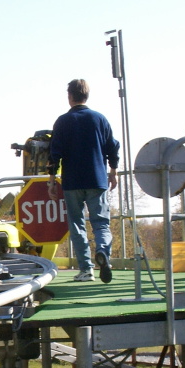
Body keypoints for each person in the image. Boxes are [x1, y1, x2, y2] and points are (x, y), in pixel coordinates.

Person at [47, 79, 120, 283]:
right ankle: (103, 252)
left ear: (70, 96)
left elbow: (54, 154)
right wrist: (113, 171)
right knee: (101, 223)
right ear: (87, 95)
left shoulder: (62, 121)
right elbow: (113, 147)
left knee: (77, 224)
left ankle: (86, 269)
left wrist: (51, 181)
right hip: (97, 179)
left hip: (72, 181)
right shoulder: (100, 119)